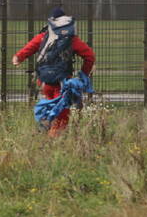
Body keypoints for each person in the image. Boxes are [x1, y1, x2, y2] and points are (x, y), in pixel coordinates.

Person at [13, 7, 96, 136]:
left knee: (50, 106)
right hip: (62, 82)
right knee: (61, 115)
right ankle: (54, 141)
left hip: (45, 82)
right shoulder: (71, 39)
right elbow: (90, 56)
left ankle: (45, 134)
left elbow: (28, 48)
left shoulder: (43, 36)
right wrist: (84, 73)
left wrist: (18, 57)